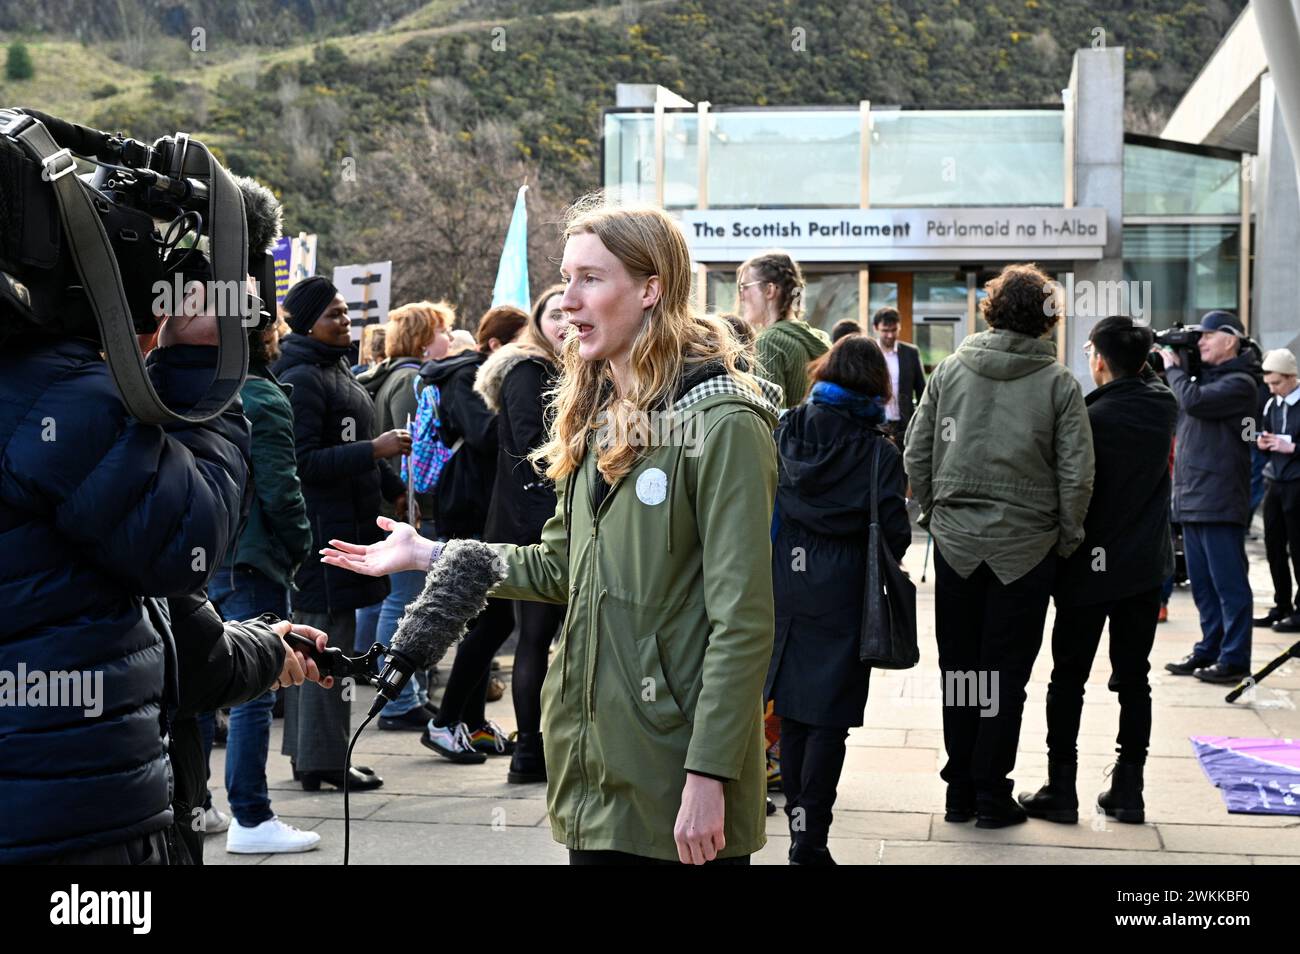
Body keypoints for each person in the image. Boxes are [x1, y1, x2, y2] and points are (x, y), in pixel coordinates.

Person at [324, 198, 780, 865]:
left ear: (651, 288)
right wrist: (433, 553)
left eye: (590, 278)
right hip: (591, 766)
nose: (566, 301)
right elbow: (560, 566)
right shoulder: (605, 415)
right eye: (566, 278)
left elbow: (743, 620)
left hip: (675, 773)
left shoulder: (724, 424)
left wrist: (711, 774)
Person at [0, 257, 253, 863]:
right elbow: (188, 540)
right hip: (65, 815)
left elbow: (189, 643)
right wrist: (197, 365)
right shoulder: (52, 392)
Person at [904, 262, 1094, 829]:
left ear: (990, 309)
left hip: (957, 543)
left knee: (960, 669)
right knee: (1005, 674)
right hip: (1027, 547)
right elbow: (1077, 472)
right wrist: (1067, 534)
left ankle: (958, 789)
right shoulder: (1059, 383)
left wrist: (934, 513)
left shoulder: (951, 371)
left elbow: (917, 451)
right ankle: (991, 792)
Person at [1019, 316, 1177, 827]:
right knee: (1135, 679)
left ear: (1100, 361)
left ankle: (1061, 787)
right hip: (1144, 567)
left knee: (1069, 678)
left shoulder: (1091, 415)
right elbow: (1151, 378)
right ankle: (1129, 788)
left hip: (1087, 567)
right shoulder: (1164, 405)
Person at [766, 335, 911, 864]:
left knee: (795, 713)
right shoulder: (878, 449)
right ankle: (810, 841)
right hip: (846, 593)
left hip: (784, 582)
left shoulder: (788, 426)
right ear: (877, 384)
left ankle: (798, 826)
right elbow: (895, 534)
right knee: (828, 721)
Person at [273, 276, 409, 791]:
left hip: (344, 529)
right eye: (334, 314)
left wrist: (391, 485)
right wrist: (375, 450)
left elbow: (353, 454)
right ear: (308, 321)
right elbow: (302, 461)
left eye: (346, 312)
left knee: (321, 646)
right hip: (322, 535)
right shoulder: (302, 376)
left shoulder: (335, 369)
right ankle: (323, 763)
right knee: (327, 649)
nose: (345, 320)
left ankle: (312, 759)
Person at [205, 315, 322, 853]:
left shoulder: (199, 385)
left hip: (205, 558)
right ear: (264, 337)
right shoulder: (263, 398)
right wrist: (298, 548)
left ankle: (196, 803)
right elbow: (281, 490)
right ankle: (251, 816)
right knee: (256, 684)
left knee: (202, 683)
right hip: (252, 560)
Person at [464, 284, 571, 781]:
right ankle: (529, 750)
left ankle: (543, 745)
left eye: (572, 313)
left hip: (540, 524)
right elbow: (532, 450)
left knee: (537, 639)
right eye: (554, 315)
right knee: (533, 639)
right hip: (532, 528)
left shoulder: (570, 370)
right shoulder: (529, 370)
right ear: (537, 323)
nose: (565, 322)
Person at [417, 305, 528, 761]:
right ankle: (444, 723)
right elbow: (483, 435)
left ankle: (472, 721)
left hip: (490, 506)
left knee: (490, 618)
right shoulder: (464, 376)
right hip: (468, 507)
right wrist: (524, 403)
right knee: (486, 617)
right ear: (496, 346)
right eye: (523, 344)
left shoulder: (489, 374)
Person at [358, 301, 456, 730]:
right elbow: (415, 448)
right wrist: (413, 499)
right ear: (423, 337)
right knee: (403, 604)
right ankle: (397, 703)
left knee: (399, 602)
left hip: (398, 506)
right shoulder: (411, 380)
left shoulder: (387, 375)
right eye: (442, 331)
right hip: (412, 509)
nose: (449, 339)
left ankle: (405, 696)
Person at [1160, 311, 1263, 684]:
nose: (1200, 342)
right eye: (1197, 337)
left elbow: (1195, 401)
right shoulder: (1200, 381)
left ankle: (1234, 659)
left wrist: (1173, 368)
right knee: (1202, 585)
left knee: (1229, 584)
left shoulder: (1240, 383)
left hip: (1219, 498)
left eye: (1207, 336)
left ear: (1230, 339)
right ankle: (1210, 649)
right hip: (1192, 497)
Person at [736, 250, 828, 410]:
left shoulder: (769, 342)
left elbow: (770, 420)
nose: (741, 296)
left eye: (744, 287)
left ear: (770, 290)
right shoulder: (817, 337)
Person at [1256, 348, 1300, 633]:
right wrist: (1260, 441)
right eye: (1269, 384)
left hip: (1297, 483)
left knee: (1298, 548)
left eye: (1277, 383)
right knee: (1273, 547)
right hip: (1275, 480)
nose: (1272, 389)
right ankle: (1281, 605)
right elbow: (1262, 432)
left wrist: (1293, 447)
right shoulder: (1272, 404)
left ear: (1292, 377)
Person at [871, 306, 926, 446]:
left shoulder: (911, 352)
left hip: (904, 424)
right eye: (885, 331)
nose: (890, 335)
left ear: (899, 327)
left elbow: (922, 391)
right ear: (875, 328)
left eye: (893, 330)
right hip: (875, 423)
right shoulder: (868, 352)